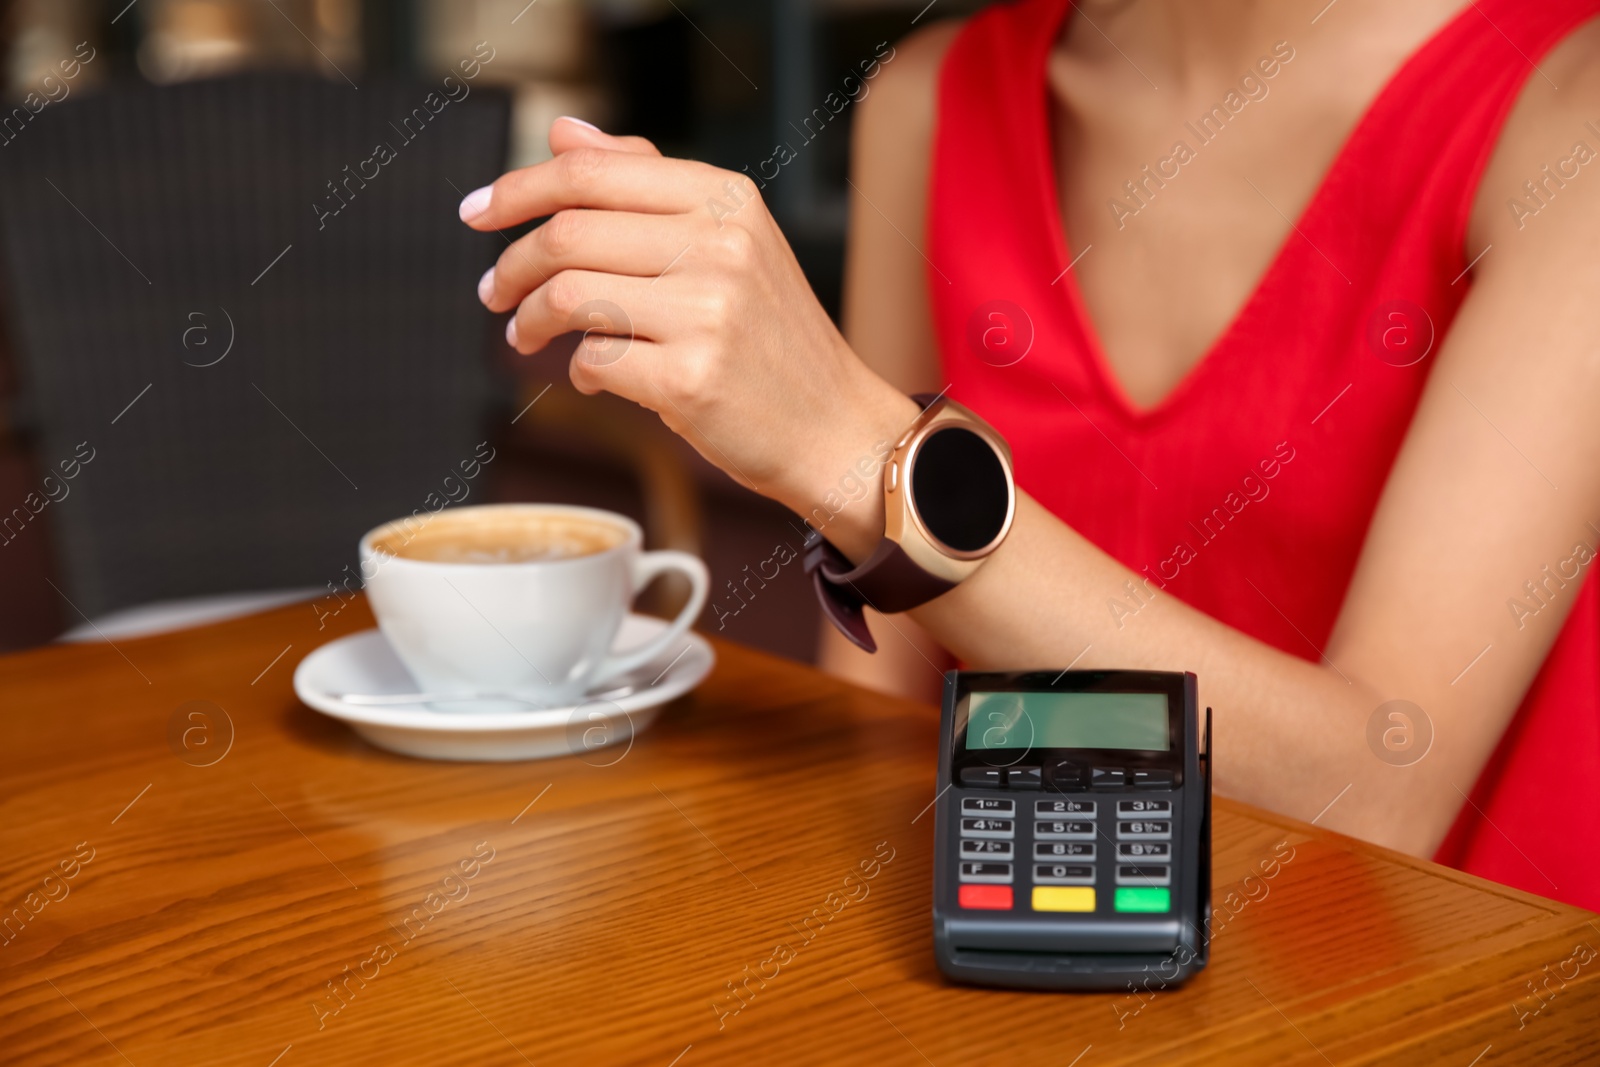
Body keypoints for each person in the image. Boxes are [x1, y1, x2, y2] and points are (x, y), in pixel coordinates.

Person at [458, 0, 1600, 909]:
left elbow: (1381, 791)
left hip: (1436, 1004)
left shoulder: (1565, 104)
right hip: (1026, 964)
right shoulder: (935, 97)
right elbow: (879, 721)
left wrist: (859, 449)